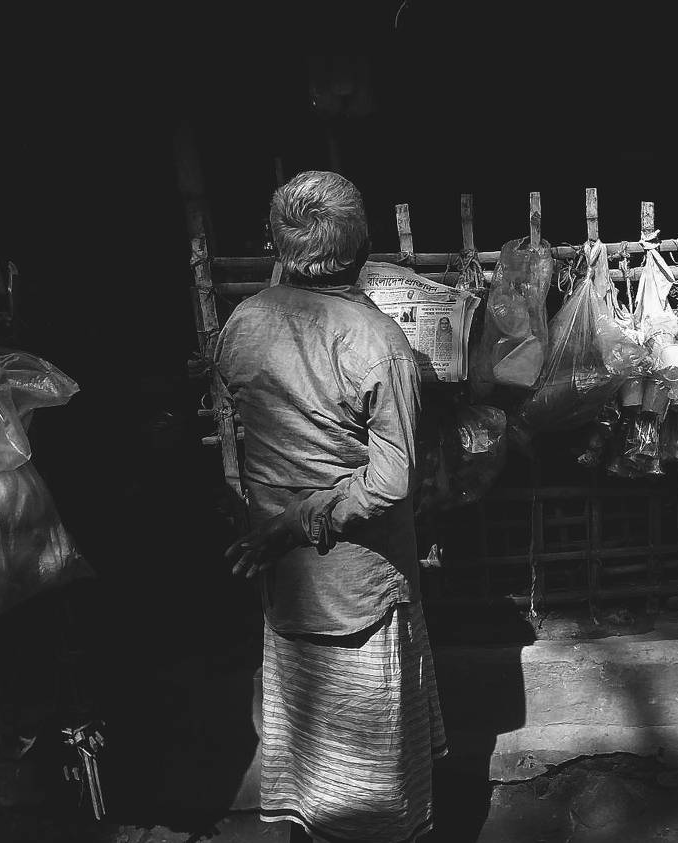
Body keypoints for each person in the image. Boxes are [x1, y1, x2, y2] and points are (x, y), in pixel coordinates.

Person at [217, 171, 444, 841]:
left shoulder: (243, 324)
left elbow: (236, 426)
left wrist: (281, 517)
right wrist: (301, 519)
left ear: (276, 246)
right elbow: (392, 480)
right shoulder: (377, 342)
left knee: (311, 756)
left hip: (286, 583)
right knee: (371, 774)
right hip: (359, 589)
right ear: (364, 246)